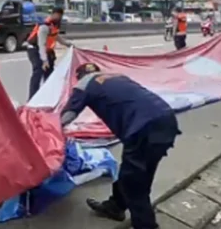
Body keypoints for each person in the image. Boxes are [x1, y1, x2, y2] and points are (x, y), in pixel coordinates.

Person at [61, 63, 180, 229]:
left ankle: (146, 226)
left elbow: (68, 115)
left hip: (142, 129)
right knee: (137, 170)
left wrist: (51, 130)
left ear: (79, 76)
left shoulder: (84, 84)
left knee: (134, 185)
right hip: (166, 121)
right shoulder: (117, 76)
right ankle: (115, 206)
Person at [25, 7, 72, 100]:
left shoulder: (54, 25)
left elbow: (55, 36)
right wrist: (44, 60)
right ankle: (32, 98)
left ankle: (47, 97)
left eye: (60, 16)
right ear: (53, 14)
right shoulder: (44, 26)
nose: (59, 17)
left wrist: (68, 44)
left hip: (47, 50)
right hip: (35, 49)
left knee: (50, 74)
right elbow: (41, 44)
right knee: (38, 70)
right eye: (57, 15)